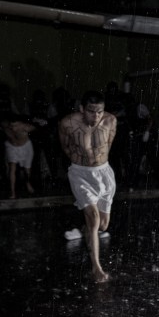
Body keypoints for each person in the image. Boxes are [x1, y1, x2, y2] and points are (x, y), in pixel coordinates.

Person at [59, 90, 117, 284]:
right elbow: (66, 147)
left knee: (102, 225)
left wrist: (97, 164)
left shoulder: (110, 121)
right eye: (91, 111)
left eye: (100, 111)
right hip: (80, 173)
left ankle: (86, 230)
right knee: (93, 217)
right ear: (82, 109)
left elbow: (108, 145)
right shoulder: (68, 123)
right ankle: (96, 268)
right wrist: (82, 163)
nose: (96, 116)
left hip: (104, 173)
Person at [3, 116, 37, 198]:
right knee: (12, 168)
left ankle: (28, 184)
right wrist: (17, 131)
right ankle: (13, 192)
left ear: (21, 124)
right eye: (13, 125)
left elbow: (34, 127)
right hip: (13, 147)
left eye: (17, 125)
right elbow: (15, 140)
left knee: (27, 168)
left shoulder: (25, 127)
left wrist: (29, 126)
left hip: (26, 146)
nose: (14, 127)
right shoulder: (8, 130)